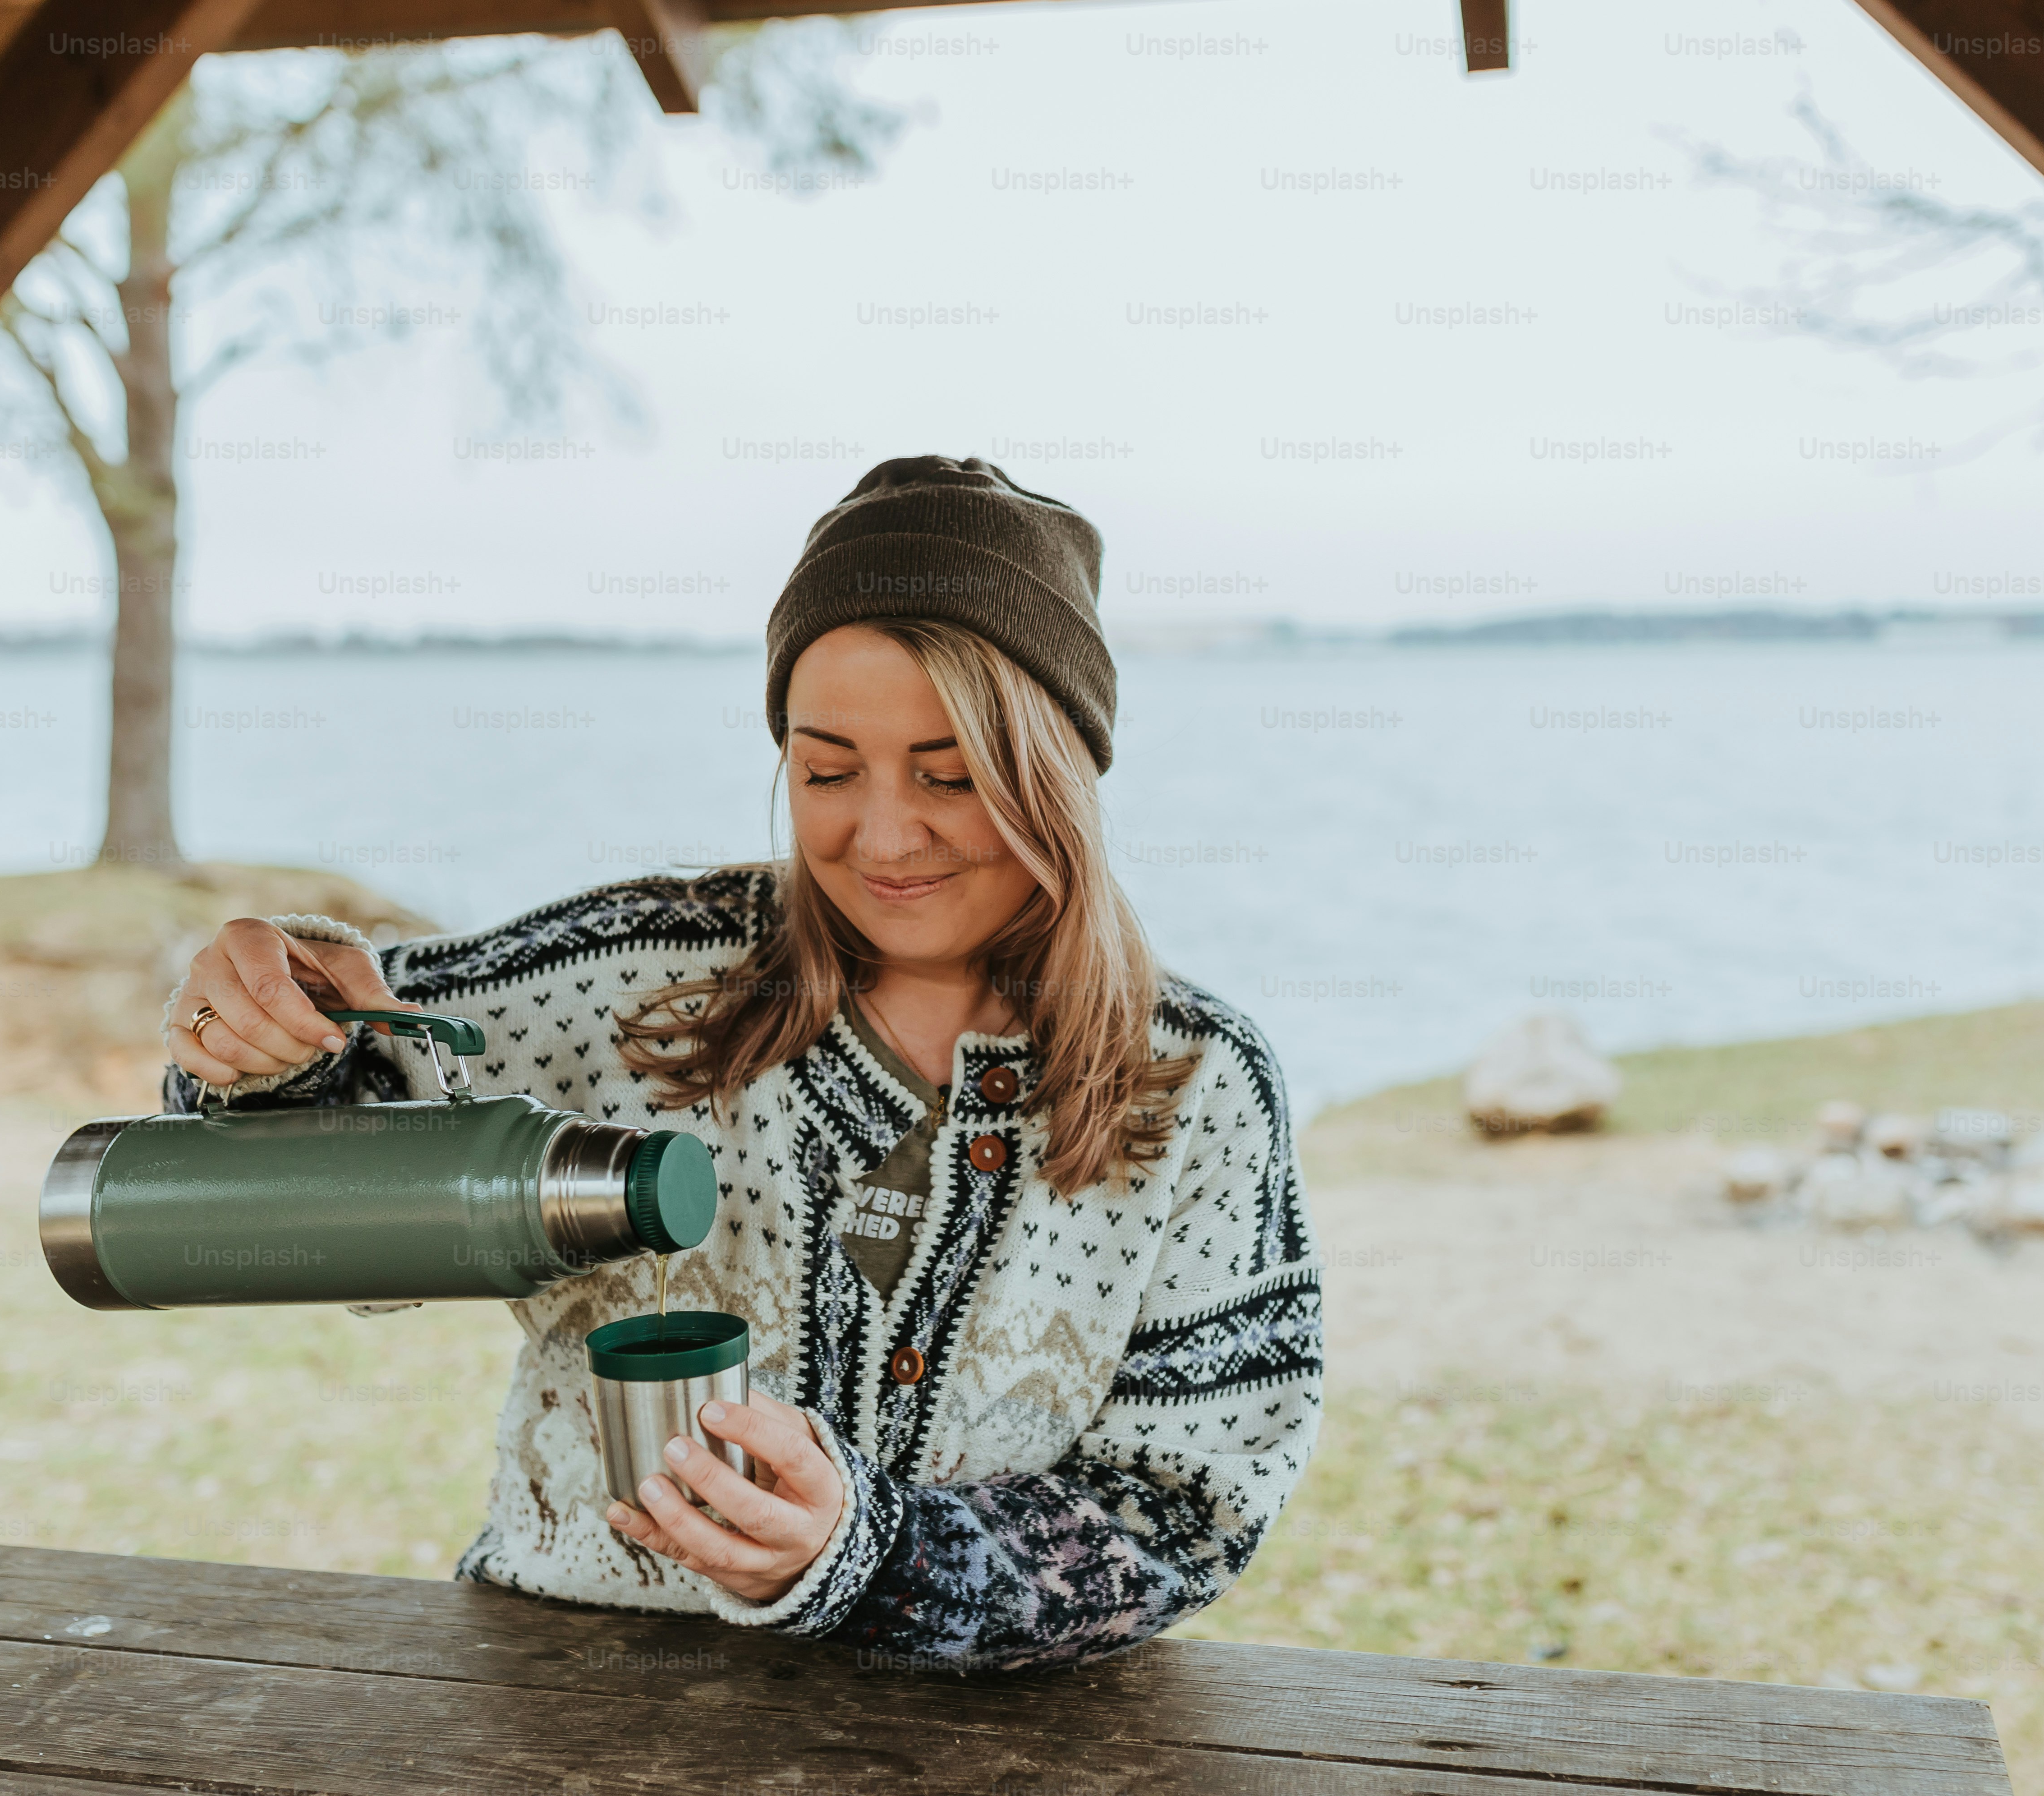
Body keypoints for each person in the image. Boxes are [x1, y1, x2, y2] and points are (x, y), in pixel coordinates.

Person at [161, 455, 1323, 1672]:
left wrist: (873, 1556)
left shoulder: (1200, 1084)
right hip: (563, 1710)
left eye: (949, 774)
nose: (881, 834)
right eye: (826, 771)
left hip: (991, 1749)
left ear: (1059, 769)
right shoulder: (626, 975)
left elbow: (1186, 1511)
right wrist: (258, 1053)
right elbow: (310, 1164)